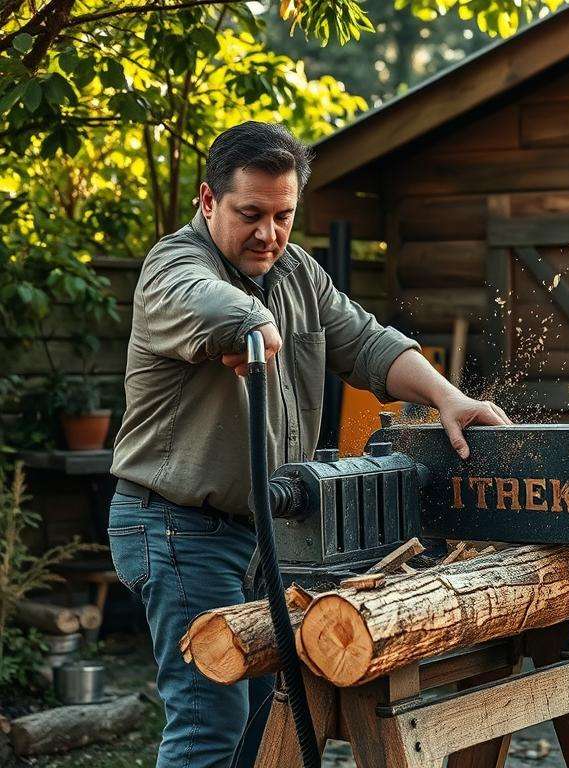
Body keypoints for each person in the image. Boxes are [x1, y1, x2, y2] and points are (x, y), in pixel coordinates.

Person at [107, 121, 510, 768]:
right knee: (209, 725)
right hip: (179, 528)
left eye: (283, 215)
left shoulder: (298, 273)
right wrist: (251, 321)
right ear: (208, 200)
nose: (269, 233)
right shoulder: (172, 265)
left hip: (264, 532)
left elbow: (368, 343)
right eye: (251, 214)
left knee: (266, 723)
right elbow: (202, 300)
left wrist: (447, 398)